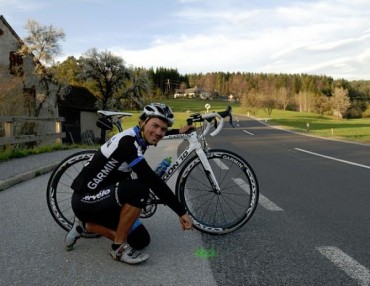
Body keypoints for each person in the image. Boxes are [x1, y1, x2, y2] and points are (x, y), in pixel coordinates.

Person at [65, 103, 193, 264]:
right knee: (140, 188)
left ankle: (85, 226)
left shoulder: (139, 137)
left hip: (106, 198)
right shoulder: (128, 142)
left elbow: (155, 134)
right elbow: (152, 181)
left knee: (141, 241)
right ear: (142, 122)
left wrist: (178, 132)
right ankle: (117, 248)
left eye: (163, 129)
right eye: (155, 126)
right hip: (85, 200)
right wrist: (181, 212)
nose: (159, 133)